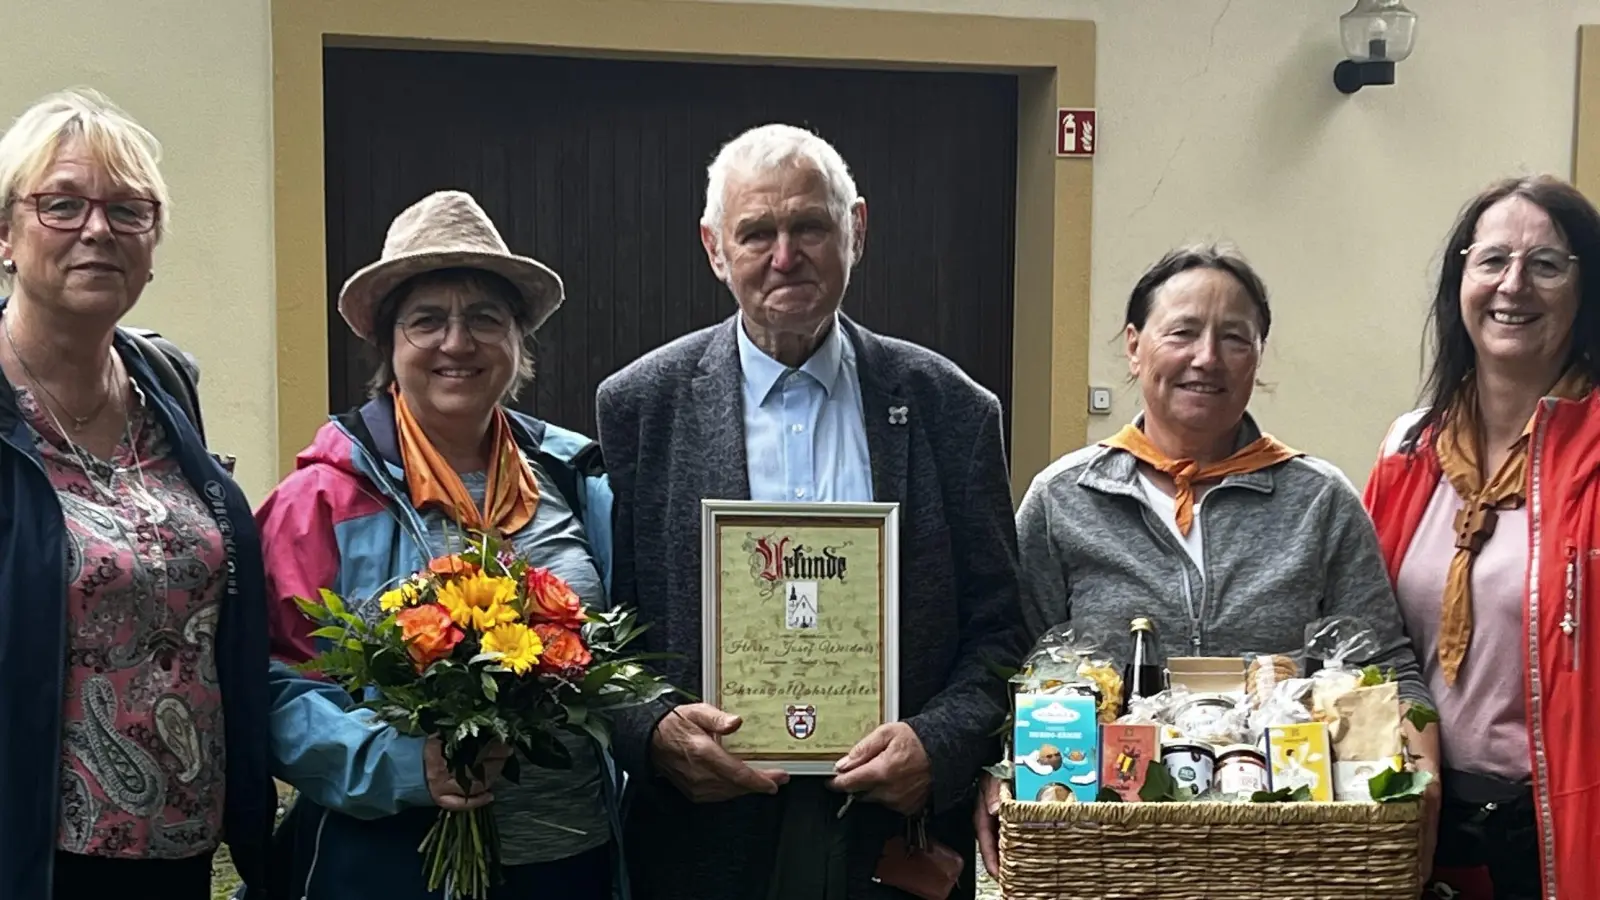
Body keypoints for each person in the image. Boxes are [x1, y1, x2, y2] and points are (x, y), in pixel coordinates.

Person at [595, 123, 1026, 899]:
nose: (785, 255)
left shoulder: (951, 409)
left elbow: (1000, 630)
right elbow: (606, 626)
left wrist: (938, 744)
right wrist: (654, 731)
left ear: (857, 229)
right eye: (756, 233)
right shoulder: (641, 406)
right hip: (702, 845)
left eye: (810, 227)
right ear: (714, 248)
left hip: (893, 840)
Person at [976, 243, 1441, 878]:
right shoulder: (1064, 499)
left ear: (1258, 357)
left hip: (1287, 852)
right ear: (1134, 347)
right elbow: (1011, 662)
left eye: (1234, 338)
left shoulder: (1319, 500)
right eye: (1183, 332)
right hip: (1105, 849)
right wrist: (997, 769)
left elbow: (1386, 667)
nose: (1207, 357)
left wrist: (1422, 785)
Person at [255, 190, 625, 899]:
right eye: (427, 320)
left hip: (572, 859)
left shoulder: (579, 481)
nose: (458, 343)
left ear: (519, 341)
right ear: (389, 345)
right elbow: (272, 688)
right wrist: (398, 763)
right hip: (395, 867)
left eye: (486, 318)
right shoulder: (321, 500)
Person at [0, 88, 273, 899]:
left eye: (128, 209)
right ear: (5, 234)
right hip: (32, 857)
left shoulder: (165, 381)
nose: (98, 229)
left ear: (152, 244)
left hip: (178, 854)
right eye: (62, 204)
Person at [1363, 175, 1600, 900]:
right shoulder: (1409, 449)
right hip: (1418, 817)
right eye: (1492, 260)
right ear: (1460, 283)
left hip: (1558, 828)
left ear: (1586, 290)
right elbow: (1365, 634)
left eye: (1547, 264)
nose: (1513, 285)